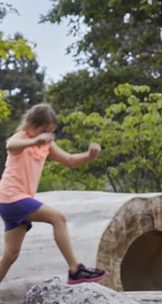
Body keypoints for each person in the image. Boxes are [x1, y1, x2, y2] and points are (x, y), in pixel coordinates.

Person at [0, 103, 107, 285]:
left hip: (15, 201)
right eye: (45, 130)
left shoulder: (47, 144)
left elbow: (70, 160)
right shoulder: (22, 138)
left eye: (51, 132)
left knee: (11, 254)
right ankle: (75, 269)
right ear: (32, 126)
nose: (48, 135)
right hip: (11, 197)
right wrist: (34, 141)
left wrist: (89, 156)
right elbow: (10, 144)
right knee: (58, 218)